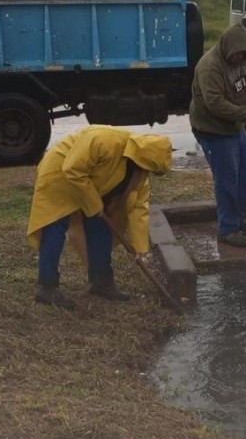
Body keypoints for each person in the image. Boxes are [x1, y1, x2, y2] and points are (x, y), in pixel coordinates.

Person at [26, 126, 172, 309]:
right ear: (140, 158)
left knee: (100, 228)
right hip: (60, 174)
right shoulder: (103, 139)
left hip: (90, 184)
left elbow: (138, 207)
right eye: (148, 168)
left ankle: (101, 282)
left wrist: (139, 247)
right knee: (55, 226)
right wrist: (95, 205)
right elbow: (72, 169)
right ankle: (46, 288)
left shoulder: (139, 172)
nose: (147, 173)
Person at [190, 21, 246, 247]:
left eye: (243, 55)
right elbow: (215, 104)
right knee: (227, 179)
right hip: (212, 129)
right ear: (227, 48)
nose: (239, 59)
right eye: (236, 55)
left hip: (235, 126)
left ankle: (234, 219)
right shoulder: (210, 67)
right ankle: (227, 229)